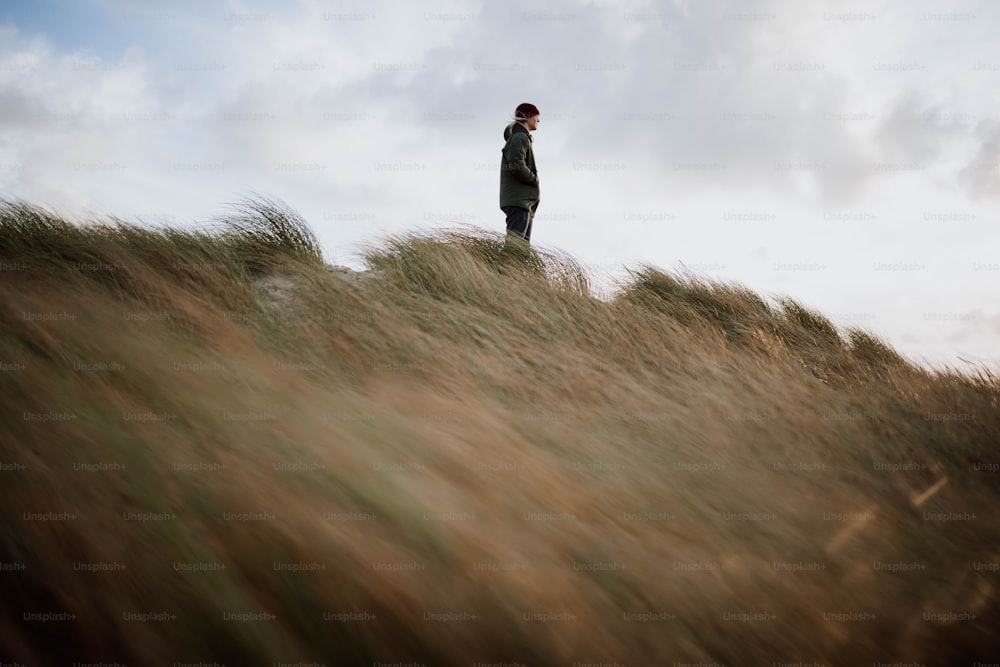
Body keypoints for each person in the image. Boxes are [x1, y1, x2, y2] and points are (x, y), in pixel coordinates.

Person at [499, 102, 540, 245]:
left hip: (523, 202)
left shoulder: (522, 137)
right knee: (514, 248)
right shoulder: (519, 137)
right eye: (536, 116)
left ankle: (508, 268)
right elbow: (516, 163)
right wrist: (533, 179)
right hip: (519, 201)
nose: (538, 120)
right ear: (528, 117)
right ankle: (502, 268)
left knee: (521, 251)